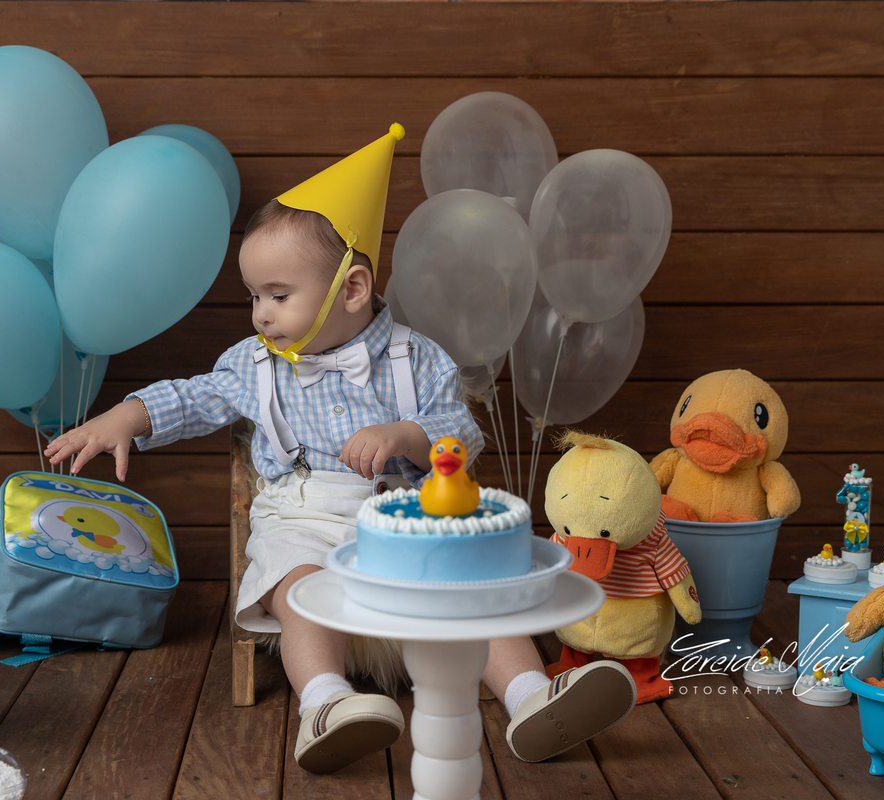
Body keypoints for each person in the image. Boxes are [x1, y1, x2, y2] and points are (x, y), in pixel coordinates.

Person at [45, 125, 635, 774]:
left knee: (471, 584)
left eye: (278, 296)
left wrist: (406, 435)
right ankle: (327, 704)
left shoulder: (416, 358)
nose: (260, 315)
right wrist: (125, 418)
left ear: (351, 290)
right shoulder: (254, 363)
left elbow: (460, 434)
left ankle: (532, 696)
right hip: (305, 512)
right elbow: (195, 397)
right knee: (298, 581)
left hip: (406, 516)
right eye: (254, 297)